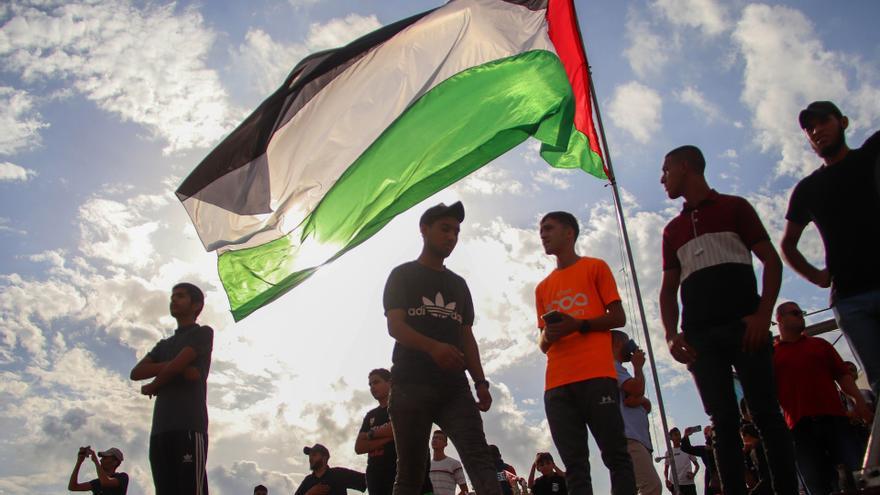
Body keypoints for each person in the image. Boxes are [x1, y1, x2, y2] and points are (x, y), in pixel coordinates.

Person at [658, 145, 798, 495]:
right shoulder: (672, 230)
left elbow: (772, 262)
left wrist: (763, 315)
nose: (663, 179)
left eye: (666, 170)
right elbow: (668, 289)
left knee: (766, 415)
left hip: (745, 328)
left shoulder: (735, 207)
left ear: (686, 166)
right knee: (722, 422)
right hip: (701, 338)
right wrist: (671, 335)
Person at [383, 201, 500, 495]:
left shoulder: (459, 285)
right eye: (445, 229)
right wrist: (433, 347)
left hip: (454, 388)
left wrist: (481, 382)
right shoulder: (402, 275)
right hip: (410, 384)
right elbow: (395, 326)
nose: (452, 237)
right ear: (424, 230)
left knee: (480, 460)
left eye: (457, 232)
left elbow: (466, 336)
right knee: (410, 474)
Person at [780, 101, 880, 397]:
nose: (817, 130)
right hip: (850, 299)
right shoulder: (808, 189)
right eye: (810, 128)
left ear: (843, 122)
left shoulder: (870, 155)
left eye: (823, 121)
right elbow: (787, 244)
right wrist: (817, 276)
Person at [535, 210, 637, 495]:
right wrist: (549, 333)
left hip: (597, 376)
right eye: (541, 230)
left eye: (548, 228)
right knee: (575, 466)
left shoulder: (595, 267)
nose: (542, 234)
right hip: (557, 385)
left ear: (569, 233)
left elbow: (618, 317)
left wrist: (578, 325)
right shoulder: (542, 288)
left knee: (616, 456)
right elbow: (542, 343)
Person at [773, 300, 871, 495]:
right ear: (780, 319)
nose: (801, 316)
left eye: (801, 312)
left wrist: (860, 402)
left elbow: (842, 375)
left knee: (858, 478)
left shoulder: (819, 345)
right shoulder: (772, 355)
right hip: (800, 428)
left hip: (835, 419)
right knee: (816, 484)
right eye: (795, 313)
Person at [130, 282, 213, 495]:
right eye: (173, 296)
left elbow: (183, 367)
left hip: (188, 426)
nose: (174, 300)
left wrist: (155, 383)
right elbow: (136, 372)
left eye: (181, 296)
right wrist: (177, 366)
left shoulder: (202, 333)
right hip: (160, 429)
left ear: (196, 305)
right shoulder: (163, 345)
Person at [611, 331, 662, 495]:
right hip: (629, 438)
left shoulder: (619, 369)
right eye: (627, 342)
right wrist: (638, 367)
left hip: (636, 438)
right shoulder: (611, 365)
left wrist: (641, 400)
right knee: (651, 487)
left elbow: (638, 399)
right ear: (618, 342)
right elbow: (636, 389)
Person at [356, 368, 397, 495]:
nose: (372, 387)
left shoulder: (401, 406)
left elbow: (400, 428)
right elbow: (359, 447)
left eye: (376, 382)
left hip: (398, 474)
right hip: (375, 478)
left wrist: (371, 435)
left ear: (390, 383)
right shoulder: (370, 415)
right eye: (370, 384)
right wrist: (390, 436)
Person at [294, 444, 367, 495]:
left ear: (324, 458)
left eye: (314, 455)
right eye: (309, 455)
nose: (310, 458)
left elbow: (368, 480)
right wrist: (309, 493)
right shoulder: (307, 481)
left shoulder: (338, 474)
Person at [681, 426, 721, 495]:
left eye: (709, 432)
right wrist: (686, 435)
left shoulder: (723, 447)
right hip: (712, 480)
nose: (708, 434)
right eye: (705, 433)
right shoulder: (704, 450)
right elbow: (687, 449)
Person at [429, 430, 468, 495]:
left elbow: (465, 490)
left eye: (439, 438)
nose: (435, 440)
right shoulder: (427, 466)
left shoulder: (454, 464)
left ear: (445, 444)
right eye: (434, 438)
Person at [662, 428, 699, 495]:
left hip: (689, 484)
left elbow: (697, 465)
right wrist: (666, 480)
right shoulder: (669, 452)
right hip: (675, 485)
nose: (678, 437)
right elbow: (666, 469)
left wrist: (693, 474)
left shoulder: (686, 449)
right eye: (676, 435)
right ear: (671, 438)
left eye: (679, 434)